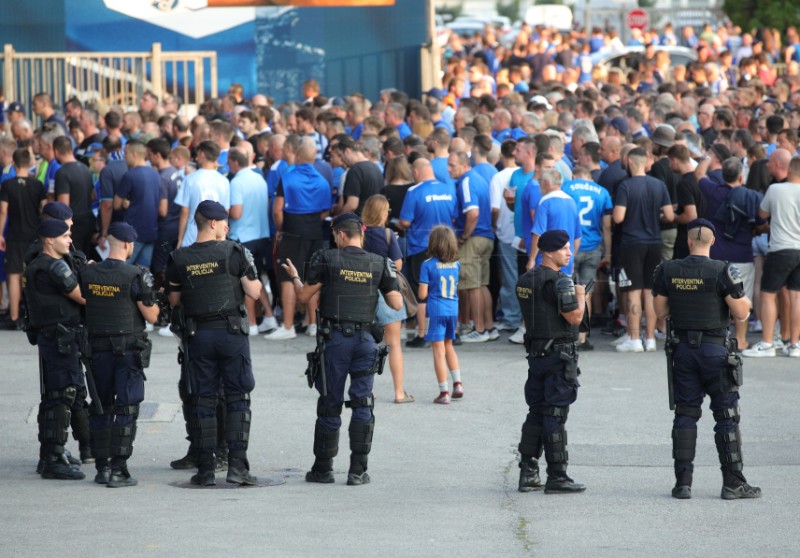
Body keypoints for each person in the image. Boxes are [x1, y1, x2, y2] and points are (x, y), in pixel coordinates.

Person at [281, 212, 401, 486]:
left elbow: (302, 296)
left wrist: (296, 277)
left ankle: (323, 469)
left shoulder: (327, 258)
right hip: (365, 342)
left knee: (330, 404)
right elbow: (395, 303)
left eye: (335, 234)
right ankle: (357, 471)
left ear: (341, 234)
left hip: (334, 341)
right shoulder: (379, 263)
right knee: (363, 403)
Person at [652, 219, 761, 500]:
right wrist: (745, 304)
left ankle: (683, 483)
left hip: (683, 352)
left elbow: (660, 312)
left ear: (688, 241)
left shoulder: (668, 269)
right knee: (726, 416)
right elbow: (740, 314)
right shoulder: (722, 270)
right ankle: (733, 483)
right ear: (712, 241)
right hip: (716, 351)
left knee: (685, 414)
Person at [166, 200, 263, 486]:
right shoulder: (234, 252)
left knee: (203, 400)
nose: (226, 227)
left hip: (198, 336)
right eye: (224, 222)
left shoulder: (178, 258)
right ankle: (236, 467)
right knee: (237, 398)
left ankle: (206, 470)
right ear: (212, 223)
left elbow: (173, 300)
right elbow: (255, 292)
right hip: (231, 334)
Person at [80, 222, 159, 487]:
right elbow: (151, 315)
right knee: (126, 407)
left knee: (101, 406)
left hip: (97, 350)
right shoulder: (136, 275)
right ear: (128, 245)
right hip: (127, 349)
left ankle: (102, 468)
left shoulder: (88, 273)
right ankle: (118, 469)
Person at [515, 229, 586, 494]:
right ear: (548, 252)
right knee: (555, 414)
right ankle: (557, 476)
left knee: (536, 413)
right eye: (565, 249)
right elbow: (574, 319)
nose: (569, 253)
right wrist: (581, 295)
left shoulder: (525, 280)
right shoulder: (561, 281)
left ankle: (527, 471)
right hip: (558, 356)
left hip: (536, 356)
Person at [23, 219, 87, 480]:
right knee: (63, 395)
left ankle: (51, 453)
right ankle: (53, 457)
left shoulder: (38, 264)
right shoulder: (53, 267)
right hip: (60, 339)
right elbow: (82, 296)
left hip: (55, 337)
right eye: (65, 235)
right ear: (49, 239)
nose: (70, 239)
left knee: (55, 396)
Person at [267, 138, 330, 340]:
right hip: (315, 231)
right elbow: (325, 210)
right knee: (312, 275)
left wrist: (280, 228)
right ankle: (313, 323)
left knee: (287, 276)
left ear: (298, 156)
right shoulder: (322, 181)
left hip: (292, 230)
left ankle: (287, 326)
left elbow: (277, 210)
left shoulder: (287, 178)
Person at [613, 148, 675, 352]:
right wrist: (655, 217)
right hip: (654, 242)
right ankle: (649, 338)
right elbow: (670, 216)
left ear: (631, 161)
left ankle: (634, 338)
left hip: (632, 242)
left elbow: (618, 218)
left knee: (633, 291)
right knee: (650, 292)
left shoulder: (626, 186)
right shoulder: (659, 185)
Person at [743, 156, 800, 358]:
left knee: (768, 294)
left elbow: (763, 213)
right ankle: (795, 344)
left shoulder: (776, 190)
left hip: (781, 247)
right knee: (796, 296)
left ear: (790, 170)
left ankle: (767, 342)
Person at [398, 158, 457, 348]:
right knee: (446, 289)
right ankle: (451, 331)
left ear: (416, 172)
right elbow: (455, 216)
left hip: (422, 246)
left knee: (421, 291)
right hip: (447, 245)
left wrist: (398, 224)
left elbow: (406, 221)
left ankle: (423, 335)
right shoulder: (448, 189)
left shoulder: (414, 192)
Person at [361, 195, 412, 404]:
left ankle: (365, 391)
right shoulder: (389, 235)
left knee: (364, 343)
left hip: (364, 291)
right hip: (387, 290)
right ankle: (399, 392)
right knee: (394, 343)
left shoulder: (360, 234)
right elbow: (397, 265)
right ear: (383, 213)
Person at [0, 148, 47, 330]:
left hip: (14, 235)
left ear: (13, 163)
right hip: (34, 235)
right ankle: (33, 316)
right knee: (33, 275)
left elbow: (3, 210)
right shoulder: (38, 185)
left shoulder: (8, 185)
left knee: (13, 274)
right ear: (29, 164)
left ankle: (14, 317)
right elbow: (44, 208)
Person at [419, 225, 462, 404]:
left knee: (438, 350)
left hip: (436, 310)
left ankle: (443, 392)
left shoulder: (427, 265)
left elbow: (422, 294)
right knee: (449, 345)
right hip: (453, 308)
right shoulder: (457, 264)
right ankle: (458, 383)